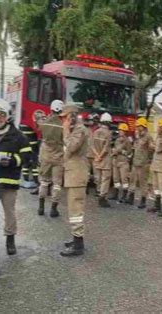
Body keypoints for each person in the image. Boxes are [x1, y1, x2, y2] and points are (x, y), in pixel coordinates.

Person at [0, 99, 32, 255]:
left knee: (9, 213)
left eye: (2, 115)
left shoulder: (18, 136)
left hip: (9, 182)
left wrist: (12, 160)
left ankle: (10, 240)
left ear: (8, 116)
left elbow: (27, 157)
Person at [59, 104, 89, 257]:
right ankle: (76, 239)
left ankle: (78, 245)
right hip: (73, 174)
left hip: (77, 175)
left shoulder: (80, 130)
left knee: (76, 209)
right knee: (73, 209)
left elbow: (71, 147)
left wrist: (65, 131)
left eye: (64, 117)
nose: (62, 120)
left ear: (71, 117)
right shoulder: (74, 130)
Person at [38, 100, 64, 217]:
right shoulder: (63, 125)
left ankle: (41, 207)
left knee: (44, 182)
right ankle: (53, 209)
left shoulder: (44, 123)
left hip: (46, 156)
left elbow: (41, 135)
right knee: (57, 184)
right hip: (58, 157)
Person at [127, 117, 155, 208]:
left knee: (143, 182)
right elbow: (135, 149)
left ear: (143, 126)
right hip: (136, 162)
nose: (137, 128)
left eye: (139, 126)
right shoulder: (138, 136)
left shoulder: (148, 137)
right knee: (132, 180)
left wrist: (149, 161)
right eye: (137, 126)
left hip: (143, 163)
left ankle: (143, 200)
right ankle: (130, 197)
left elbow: (152, 149)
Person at [147, 118, 162, 217]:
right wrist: (153, 145)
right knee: (155, 186)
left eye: (159, 126)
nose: (157, 127)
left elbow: (158, 149)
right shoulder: (159, 136)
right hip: (156, 164)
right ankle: (157, 206)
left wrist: (153, 145)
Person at [92, 112, 113, 208]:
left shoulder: (95, 132)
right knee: (106, 179)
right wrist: (101, 155)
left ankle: (99, 192)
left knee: (98, 178)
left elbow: (91, 145)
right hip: (105, 160)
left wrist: (97, 156)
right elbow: (106, 148)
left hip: (96, 159)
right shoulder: (108, 133)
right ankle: (102, 197)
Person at [110, 123, 132, 203]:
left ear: (125, 131)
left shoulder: (127, 141)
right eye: (119, 130)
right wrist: (114, 151)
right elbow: (115, 148)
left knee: (124, 179)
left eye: (122, 130)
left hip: (123, 162)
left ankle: (124, 195)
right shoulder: (117, 140)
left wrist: (122, 151)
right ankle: (115, 194)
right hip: (116, 161)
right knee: (116, 179)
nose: (120, 132)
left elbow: (129, 152)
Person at [85, 113, 100, 195]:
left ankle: (98, 189)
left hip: (96, 155)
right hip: (87, 154)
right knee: (86, 173)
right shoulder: (86, 130)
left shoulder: (99, 131)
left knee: (97, 174)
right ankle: (86, 187)